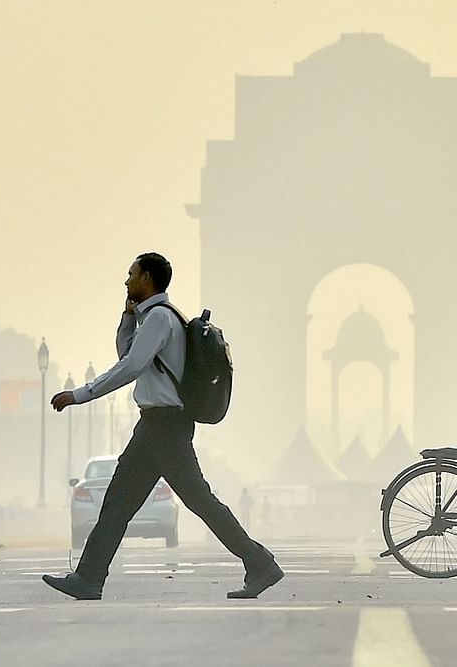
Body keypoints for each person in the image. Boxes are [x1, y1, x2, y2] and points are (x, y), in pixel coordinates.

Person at [42, 252, 283, 600]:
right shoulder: (159, 318)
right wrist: (126, 320)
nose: (126, 281)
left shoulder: (158, 318)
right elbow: (130, 355)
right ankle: (89, 578)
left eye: (131, 274)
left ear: (148, 278)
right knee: (122, 503)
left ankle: (260, 563)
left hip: (164, 427)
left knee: (192, 502)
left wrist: (81, 395)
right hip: (159, 426)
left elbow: (130, 367)